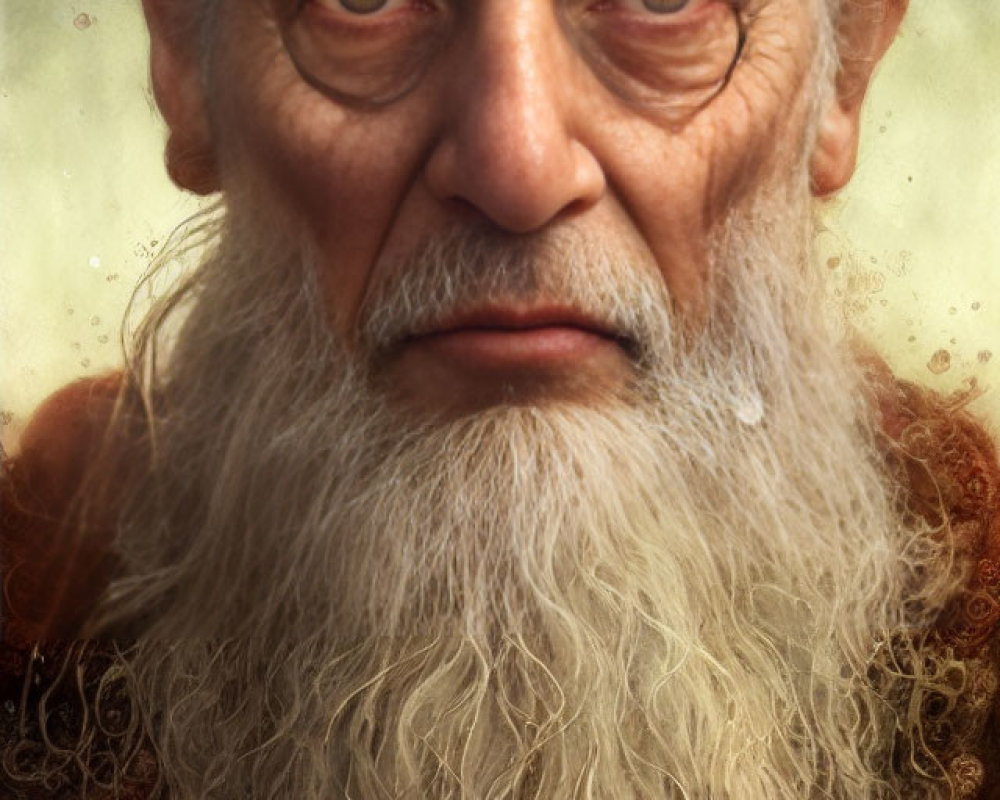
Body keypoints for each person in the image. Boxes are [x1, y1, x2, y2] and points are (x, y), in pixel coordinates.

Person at [2, 0, 998, 797]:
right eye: (364, 4)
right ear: (186, 58)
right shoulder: (31, 596)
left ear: (845, 68)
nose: (517, 169)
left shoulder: (976, 616)